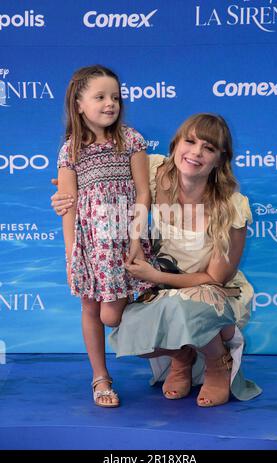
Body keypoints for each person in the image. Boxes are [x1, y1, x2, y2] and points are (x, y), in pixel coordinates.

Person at [52, 113, 262, 407]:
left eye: (209, 148)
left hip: (211, 292)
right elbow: (96, 179)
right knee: (118, 325)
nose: (196, 152)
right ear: (175, 145)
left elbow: (216, 278)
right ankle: (182, 356)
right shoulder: (153, 172)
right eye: (190, 141)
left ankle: (218, 363)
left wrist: (155, 276)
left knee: (187, 305)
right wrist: (66, 194)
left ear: (220, 158)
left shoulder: (232, 206)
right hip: (162, 286)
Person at [56, 64, 155, 408]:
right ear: (79, 103)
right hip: (91, 243)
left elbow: (144, 193)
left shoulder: (131, 139)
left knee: (111, 314)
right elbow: (68, 205)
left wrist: (135, 238)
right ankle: (100, 378)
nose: (110, 103)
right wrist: (72, 253)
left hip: (126, 235)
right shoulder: (70, 150)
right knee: (90, 305)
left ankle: (175, 357)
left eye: (115, 97)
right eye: (100, 97)